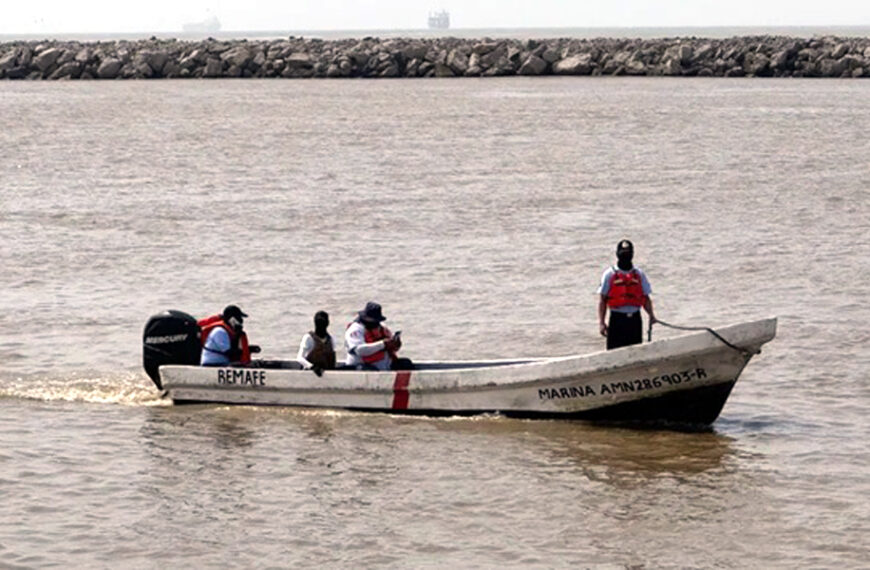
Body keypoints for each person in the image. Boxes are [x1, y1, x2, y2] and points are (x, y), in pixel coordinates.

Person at [597, 240, 657, 350]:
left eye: (628, 253)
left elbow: (645, 298)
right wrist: (601, 322)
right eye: (623, 253)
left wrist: (651, 315)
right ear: (617, 254)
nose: (626, 256)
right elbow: (602, 300)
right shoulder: (609, 274)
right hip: (617, 319)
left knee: (636, 351)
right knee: (614, 352)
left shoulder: (639, 274)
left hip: (635, 319)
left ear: (632, 254)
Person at [344, 301, 410, 371]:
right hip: (362, 366)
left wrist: (395, 345)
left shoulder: (382, 327)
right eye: (373, 319)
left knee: (406, 364)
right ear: (365, 317)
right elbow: (359, 350)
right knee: (368, 370)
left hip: (384, 365)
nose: (375, 322)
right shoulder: (356, 329)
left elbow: (390, 346)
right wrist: (383, 344)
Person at [296, 311, 336, 376]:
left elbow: (332, 360)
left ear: (327, 323)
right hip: (309, 372)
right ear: (315, 323)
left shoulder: (331, 339)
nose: (320, 324)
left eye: (322, 322)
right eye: (318, 322)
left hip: (326, 372)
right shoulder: (308, 338)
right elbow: (299, 358)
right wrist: (312, 367)